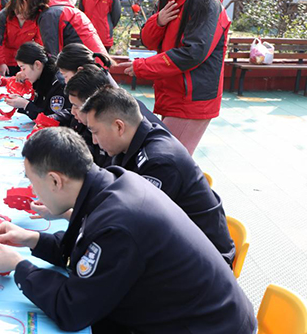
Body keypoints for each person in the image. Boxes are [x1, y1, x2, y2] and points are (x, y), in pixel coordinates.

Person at [0, 127, 256, 333]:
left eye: (32, 181)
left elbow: (72, 310)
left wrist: (19, 267)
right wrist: (32, 239)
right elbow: (84, 247)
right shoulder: (110, 183)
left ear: (55, 180)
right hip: (202, 314)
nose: (32, 190)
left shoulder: (118, 224)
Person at [83, 86, 236, 266]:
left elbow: (137, 225)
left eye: (95, 132)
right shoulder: (132, 142)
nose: (94, 140)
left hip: (206, 263)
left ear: (119, 126)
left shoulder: (160, 162)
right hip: (181, 245)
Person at [120, 0, 230, 155]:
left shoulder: (205, 0)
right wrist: (158, 21)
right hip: (173, 92)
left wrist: (144, 67)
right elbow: (149, 39)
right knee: (169, 161)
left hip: (191, 98)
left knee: (166, 162)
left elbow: (193, 52)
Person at [21, 0, 107, 59]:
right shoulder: (58, 8)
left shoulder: (49, 15)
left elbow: (53, 57)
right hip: (97, 61)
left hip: (90, 65)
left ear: (25, 3)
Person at [5, 42, 70, 120]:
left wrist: (25, 105)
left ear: (37, 65)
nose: (22, 73)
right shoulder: (41, 78)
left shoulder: (57, 83)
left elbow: (51, 118)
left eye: (24, 68)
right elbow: (39, 106)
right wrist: (21, 101)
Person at [0, 0, 43, 76]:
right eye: (18, 12)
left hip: (25, 60)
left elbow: (39, 43)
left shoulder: (37, 19)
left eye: (25, 13)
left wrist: (32, 65)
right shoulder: (4, 16)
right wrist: (1, 62)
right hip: (6, 59)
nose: (21, 16)